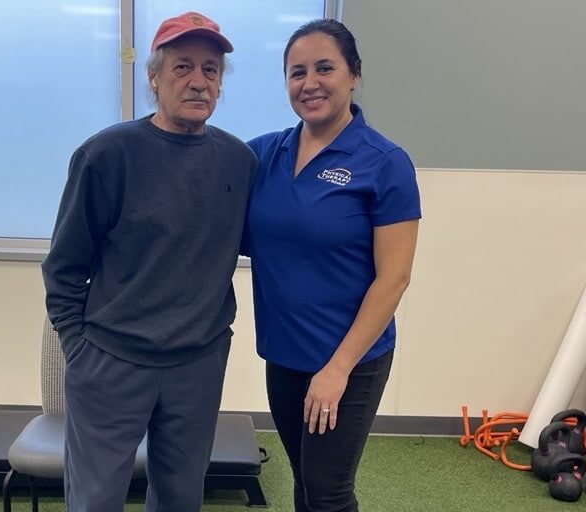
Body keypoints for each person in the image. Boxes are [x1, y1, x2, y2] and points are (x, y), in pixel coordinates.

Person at [41, 11, 256, 512]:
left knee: (182, 498)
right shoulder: (106, 156)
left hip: (198, 362)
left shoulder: (239, 162)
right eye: (182, 67)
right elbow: (64, 267)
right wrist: (79, 349)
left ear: (221, 84)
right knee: (95, 501)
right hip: (110, 361)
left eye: (210, 69)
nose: (198, 81)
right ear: (154, 78)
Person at [244, 18, 421, 512]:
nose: (310, 83)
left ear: (353, 75)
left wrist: (337, 370)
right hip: (283, 355)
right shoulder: (265, 154)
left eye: (325, 68)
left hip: (349, 362)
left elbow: (394, 278)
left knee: (327, 491)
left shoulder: (385, 162)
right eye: (297, 72)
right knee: (305, 479)